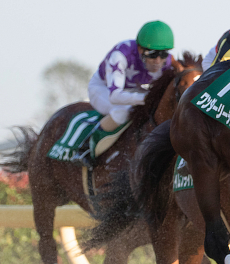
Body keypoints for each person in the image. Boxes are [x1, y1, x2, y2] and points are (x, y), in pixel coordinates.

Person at [75, 20, 174, 165]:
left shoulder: (169, 62)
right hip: (103, 89)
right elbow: (115, 96)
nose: (158, 61)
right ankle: (86, 148)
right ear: (140, 49)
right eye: (152, 54)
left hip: (136, 90)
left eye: (163, 54)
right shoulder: (120, 55)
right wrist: (148, 98)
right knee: (124, 111)